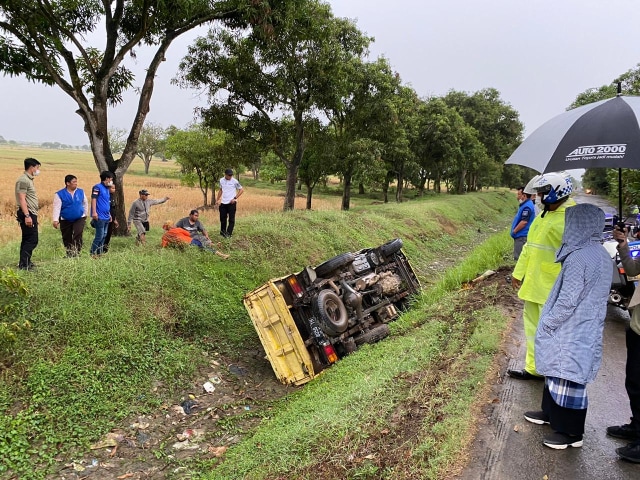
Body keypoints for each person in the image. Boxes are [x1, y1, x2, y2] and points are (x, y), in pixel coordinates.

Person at [523, 203, 612, 449]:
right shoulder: (600, 253)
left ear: (579, 226)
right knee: (558, 371)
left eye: (570, 224)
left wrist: (549, 323)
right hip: (585, 326)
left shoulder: (579, 257)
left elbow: (567, 299)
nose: (566, 229)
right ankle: (551, 414)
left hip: (571, 327)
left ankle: (570, 433)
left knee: (568, 375)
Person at [508, 172, 576, 380]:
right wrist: (518, 273)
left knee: (551, 332)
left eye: (542, 192)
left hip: (554, 288)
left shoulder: (572, 219)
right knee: (532, 329)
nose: (537, 196)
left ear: (555, 193)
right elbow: (530, 248)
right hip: (535, 285)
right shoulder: (543, 216)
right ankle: (534, 368)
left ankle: (552, 372)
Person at [608, 224, 640, 462]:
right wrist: (623, 244)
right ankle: (636, 427)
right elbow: (632, 270)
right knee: (635, 382)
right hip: (637, 326)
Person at [52, 175, 88, 257]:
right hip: (65, 219)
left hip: (79, 217)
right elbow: (57, 207)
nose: (76, 184)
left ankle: (76, 252)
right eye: (73, 182)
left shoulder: (81, 192)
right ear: (67, 183)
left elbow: (85, 203)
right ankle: (69, 253)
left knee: (78, 233)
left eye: (76, 182)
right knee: (66, 236)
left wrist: (85, 214)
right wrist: (55, 219)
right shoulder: (59, 194)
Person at [15, 157, 41, 270]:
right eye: (37, 167)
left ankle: (25, 262)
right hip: (28, 213)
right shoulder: (23, 180)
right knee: (32, 239)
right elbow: (22, 199)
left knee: (27, 238)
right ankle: (24, 264)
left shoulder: (28, 180)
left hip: (31, 213)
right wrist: (27, 216)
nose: (37, 170)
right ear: (31, 167)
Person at [161, 221, 229, 259]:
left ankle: (214, 245)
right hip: (190, 241)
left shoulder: (164, 236)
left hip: (182, 246)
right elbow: (188, 234)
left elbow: (164, 246)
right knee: (204, 247)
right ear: (171, 226)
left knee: (201, 247)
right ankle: (222, 255)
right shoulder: (178, 229)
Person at [90, 171, 114, 256]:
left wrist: (109, 214)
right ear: (107, 179)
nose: (111, 181)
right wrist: (94, 212)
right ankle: (92, 253)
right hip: (99, 216)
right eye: (111, 179)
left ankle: (99, 253)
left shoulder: (107, 189)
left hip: (106, 216)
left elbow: (106, 202)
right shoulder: (97, 187)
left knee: (104, 235)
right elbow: (94, 199)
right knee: (99, 236)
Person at [215, 168, 244, 238]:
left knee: (231, 219)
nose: (230, 177)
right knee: (222, 218)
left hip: (231, 203)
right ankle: (222, 232)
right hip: (223, 202)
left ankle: (228, 234)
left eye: (231, 175)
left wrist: (235, 198)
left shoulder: (235, 181)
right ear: (225, 175)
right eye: (228, 175)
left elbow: (241, 190)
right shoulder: (221, 180)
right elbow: (221, 190)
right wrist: (217, 199)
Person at [510, 186, 535, 260]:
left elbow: (524, 222)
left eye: (519, 194)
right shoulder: (525, 205)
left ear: (524, 196)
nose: (517, 197)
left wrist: (514, 231)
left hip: (521, 236)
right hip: (520, 236)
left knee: (519, 258)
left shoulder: (527, 207)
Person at [102, 183, 119, 254]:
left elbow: (113, 209)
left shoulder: (112, 197)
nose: (114, 190)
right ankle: (100, 249)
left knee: (109, 234)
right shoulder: (105, 197)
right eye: (112, 188)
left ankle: (105, 250)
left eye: (114, 188)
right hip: (105, 218)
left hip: (111, 219)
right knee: (103, 234)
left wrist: (115, 220)